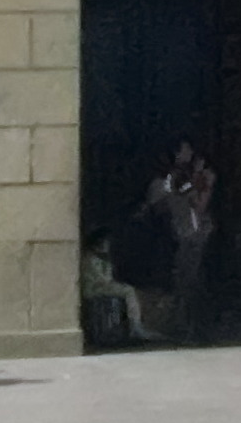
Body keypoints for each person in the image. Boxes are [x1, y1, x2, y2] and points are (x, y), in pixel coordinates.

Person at [143, 141, 216, 340]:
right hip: (179, 235)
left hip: (194, 235)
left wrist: (195, 182)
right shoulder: (170, 179)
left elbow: (198, 203)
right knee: (182, 281)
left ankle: (192, 326)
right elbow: (161, 204)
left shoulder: (200, 177)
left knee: (191, 281)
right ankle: (182, 325)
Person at [81, 228, 160, 343]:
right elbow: (102, 280)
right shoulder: (90, 259)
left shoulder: (101, 258)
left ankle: (134, 324)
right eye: (105, 243)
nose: (108, 246)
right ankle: (135, 326)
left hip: (100, 286)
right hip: (93, 289)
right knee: (128, 290)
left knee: (128, 290)